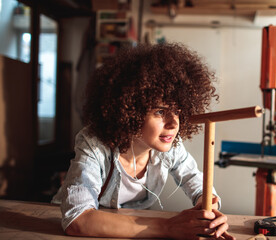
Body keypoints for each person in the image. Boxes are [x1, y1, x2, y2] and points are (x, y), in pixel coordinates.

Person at [52, 43, 235, 240]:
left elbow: (195, 181)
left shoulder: (170, 145)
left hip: (125, 230)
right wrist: (168, 227)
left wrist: (208, 210)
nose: (174, 124)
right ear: (130, 110)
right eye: (160, 112)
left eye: (178, 112)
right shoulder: (94, 144)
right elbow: (77, 220)